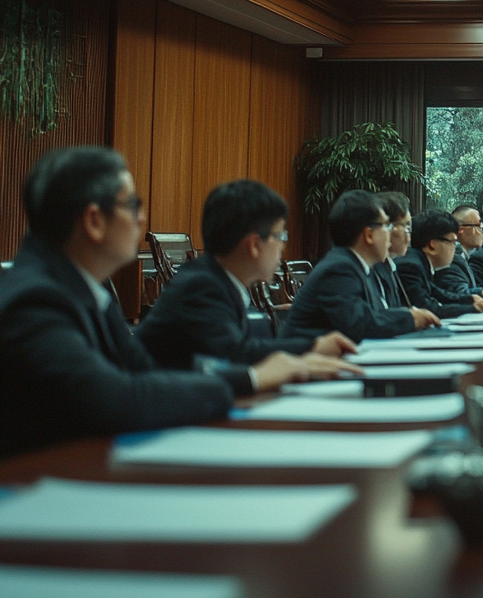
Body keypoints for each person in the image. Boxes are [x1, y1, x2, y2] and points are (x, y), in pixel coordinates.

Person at [0, 147, 315, 458]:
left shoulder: (90, 290)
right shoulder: (35, 300)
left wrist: (246, 379)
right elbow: (114, 400)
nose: (142, 217)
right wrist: (252, 379)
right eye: (133, 204)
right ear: (94, 220)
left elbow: (145, 372)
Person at [139, 179, 358, 374]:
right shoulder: (202, 285)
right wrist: (311, 347)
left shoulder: (217, 280)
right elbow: (234, 355)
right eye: (280, 235)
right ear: (254, 245)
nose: (283, 246)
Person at [285, 190, 441, 341]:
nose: (390, 234)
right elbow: (360, 324)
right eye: (386, 226)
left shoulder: (358, 266)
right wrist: (410, 317)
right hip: (308, 363)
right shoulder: (339, 269)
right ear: (369, 235)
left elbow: (376, 314)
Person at [395, 209, 483, 318]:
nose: (455, 249)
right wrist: (472, 308)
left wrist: (470, 299)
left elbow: (437, 293)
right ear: (432, 245)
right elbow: (427, 308)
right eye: (452, 242)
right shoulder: (411, 266)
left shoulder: (420, 262)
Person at [372, 190, 413, 308]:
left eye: (409, 226)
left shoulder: (388, 265)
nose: (408, 234)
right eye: (404, 225)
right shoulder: (370, 268)